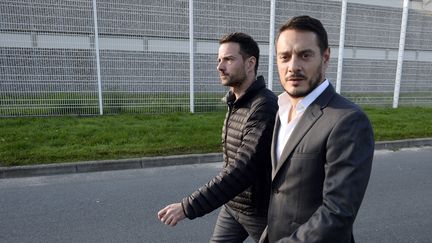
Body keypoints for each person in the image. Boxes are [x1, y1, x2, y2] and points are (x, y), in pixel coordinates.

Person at [259, 15, 374, 243]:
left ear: (326, 56)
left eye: (305, 55)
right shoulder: (281, 109)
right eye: (285, 57)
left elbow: (337, 213)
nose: (293, 67)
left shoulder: (348, 120)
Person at [157, 32, 278, 242]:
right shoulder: (235, 101)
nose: (220, 67)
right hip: (232, 206)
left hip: (260, 212)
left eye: (229, 59)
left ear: (250, 64)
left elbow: (242, 168)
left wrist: (188, 207)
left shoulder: (264, 106)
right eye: (219, 60)